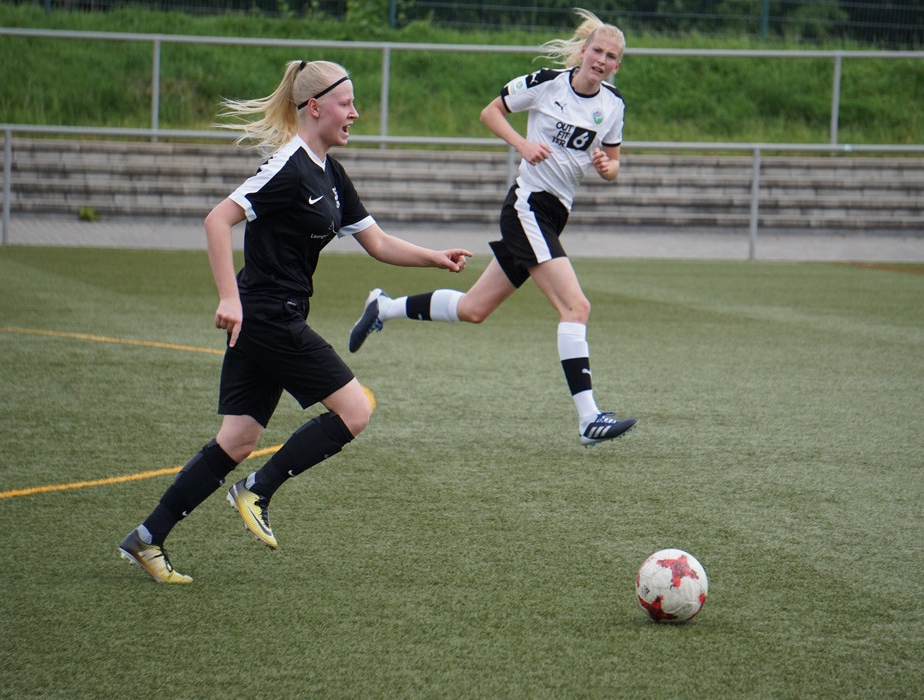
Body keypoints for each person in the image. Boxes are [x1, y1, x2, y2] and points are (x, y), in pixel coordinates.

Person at [119, 59, 472, 584]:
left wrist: (434, 257)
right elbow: (218, 220)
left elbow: (376, 241)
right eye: (346, 104)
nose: (355, 113)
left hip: (270, 317)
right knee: (354, 410)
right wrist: (228, 298)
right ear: (315, 107)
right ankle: (258, 489)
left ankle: (146, 539)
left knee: (236, 440)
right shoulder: (288, 167)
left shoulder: (329, 172)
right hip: (267, 316)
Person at [348, 9, 636, 447]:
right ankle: (588, 418)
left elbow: (613, 165)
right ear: (582, 51)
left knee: (473, 309)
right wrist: (523, 144)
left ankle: (383, 307)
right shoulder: (547, 83)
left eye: (610, 56)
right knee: (576, 307)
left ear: (616, 66)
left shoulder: (612, 105)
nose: (601, 59)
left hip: (555, 213)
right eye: (596, 50)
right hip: (529, 206)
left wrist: (605, 166)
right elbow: (490, 112)